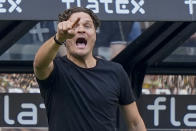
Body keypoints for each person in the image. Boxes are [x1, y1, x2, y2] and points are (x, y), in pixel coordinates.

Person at [34, 7, 146, 131]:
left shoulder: (115, 71)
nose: (81, 29)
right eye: (74, 26)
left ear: (94, 35)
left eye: (87, 26)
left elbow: (135, 123)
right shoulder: (56, 70)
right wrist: (58, 38)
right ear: (66, 37)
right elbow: (39, 64)